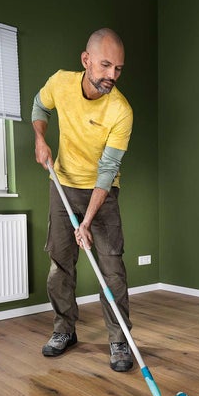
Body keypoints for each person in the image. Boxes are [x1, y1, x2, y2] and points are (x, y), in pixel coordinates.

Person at [31, 28, 134, 372]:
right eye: (105, 65)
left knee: (112, 270)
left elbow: (107, 171)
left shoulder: (121, 110)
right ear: (86, 60)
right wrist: (40, 138)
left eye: (118, 69)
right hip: (62, 184)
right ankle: (64, 330)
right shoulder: (60, 83)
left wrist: (87, 221)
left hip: (101, 194)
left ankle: (119, 340)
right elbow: (39, 106)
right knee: (60, 265)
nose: (111, 76)